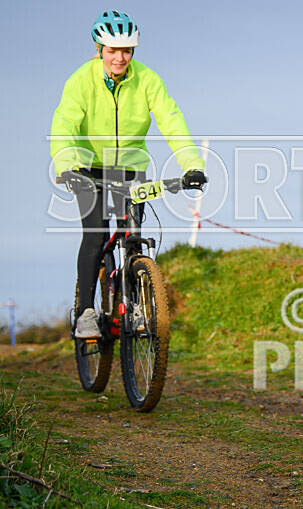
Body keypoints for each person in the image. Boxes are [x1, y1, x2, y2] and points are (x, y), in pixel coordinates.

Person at [51, 11, 207, 339]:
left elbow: (171, 120)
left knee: (133, 235)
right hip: (86, 166)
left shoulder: (147, 80)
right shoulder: (81, 80)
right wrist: (65, 165)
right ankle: (86, 314)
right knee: (95, 235)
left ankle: (135, 305)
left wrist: (192, 165)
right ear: (99, 49)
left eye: (126, 51)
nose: (119, 58)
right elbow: (64, 124)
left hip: (129, 168)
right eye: (112, 50)